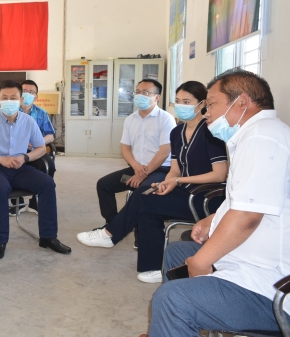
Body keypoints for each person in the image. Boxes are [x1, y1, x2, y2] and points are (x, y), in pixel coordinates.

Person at [145, 69, 290, 336]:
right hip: (249, 257)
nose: (206, 113)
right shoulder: (254, 135)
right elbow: (248, 199)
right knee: (177, 253)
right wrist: (213, 219)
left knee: (171, 299)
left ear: (242, 102)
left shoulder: (262, 137)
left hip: (269, 288)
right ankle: (170, 328)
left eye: (211, 104)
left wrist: (202, 261)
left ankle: (173, 319)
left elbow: (248, 216)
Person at [76, 81, 228, 284]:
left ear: (202, 104)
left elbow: (219, 175)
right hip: (182, 189)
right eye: (178, 101)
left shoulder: (211, 133)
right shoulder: (177, 133)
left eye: (187, 102)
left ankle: (110, 233)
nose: (181, 106)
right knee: (148, 201)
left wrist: (176, 180)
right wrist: (167, 183)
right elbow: (175, 168)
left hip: (206, 197)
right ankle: (153, 267)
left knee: (144, 196)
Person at [0, 80, 71, 259]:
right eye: (5, 98)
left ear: (20, 99)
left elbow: (40, 147)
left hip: (19, 166)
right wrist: (0, 159)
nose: (9, 101)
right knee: (0, 188)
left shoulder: (28, 121)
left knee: (47, 183)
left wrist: (25, 158)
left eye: (13, 98)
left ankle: (48, 237)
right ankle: (0, 241)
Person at [88, 79, 176, 230]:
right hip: (136, 169)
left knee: (143, 191)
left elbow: (164, 152)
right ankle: (112, 225)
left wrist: (142, 174)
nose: (140, 95)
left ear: (157, 97)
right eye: (138, 92)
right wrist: (136, 168)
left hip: (160, 170)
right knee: (104, 185)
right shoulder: (130, 119)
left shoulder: (165, 119)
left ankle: (135, 231)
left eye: (146, 92)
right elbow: (125, 148)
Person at [9, 79, 56, 215]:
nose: (27, 94)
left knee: (49, 166)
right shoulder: (9, 111)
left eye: (31, 92)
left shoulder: (41, 113)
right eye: (24, 91)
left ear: (36, 96)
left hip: (35, 150)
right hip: (14, 151)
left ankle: (35, 201)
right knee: (10, 165)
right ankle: (17, 202)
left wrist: (38, 141)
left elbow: (51, 135)